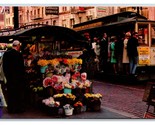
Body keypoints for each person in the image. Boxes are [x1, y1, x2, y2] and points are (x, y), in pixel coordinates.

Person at [2, 40, 27, 113]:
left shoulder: (6, 54)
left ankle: (11, 108)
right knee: (18, 93)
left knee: (10, 93)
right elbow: (21, 67)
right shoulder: (19, 55)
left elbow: (4, 66)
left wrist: (7, 76)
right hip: (18, 78)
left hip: (10, 78)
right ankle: (18, 108)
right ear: (18, 46)